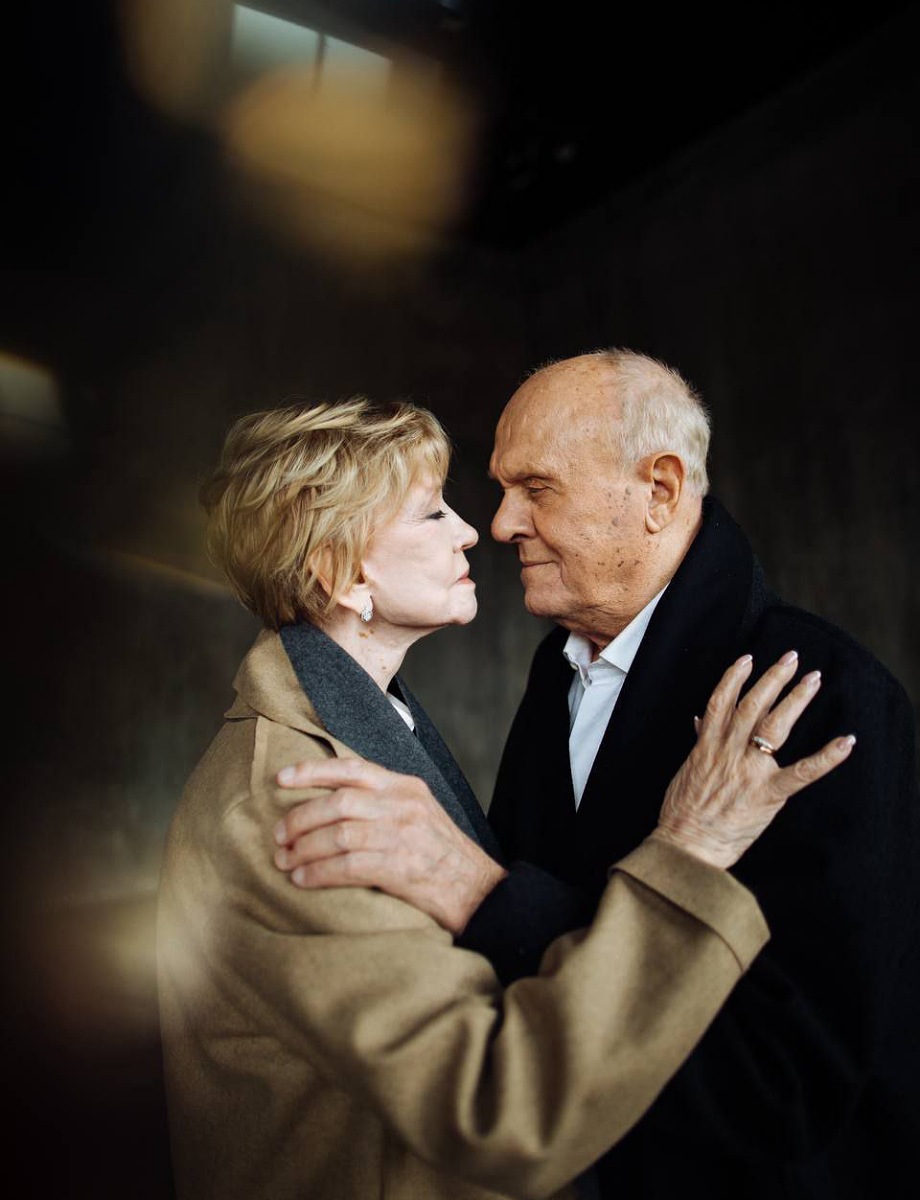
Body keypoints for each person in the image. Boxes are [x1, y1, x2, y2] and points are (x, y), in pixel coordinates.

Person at [157, 394, 851, 1200]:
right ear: (341, 573)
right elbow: (502, 1105)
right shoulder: (299, 798)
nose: (472, 530)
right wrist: (689, 850)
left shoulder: (368, 724)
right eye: (431, 513)